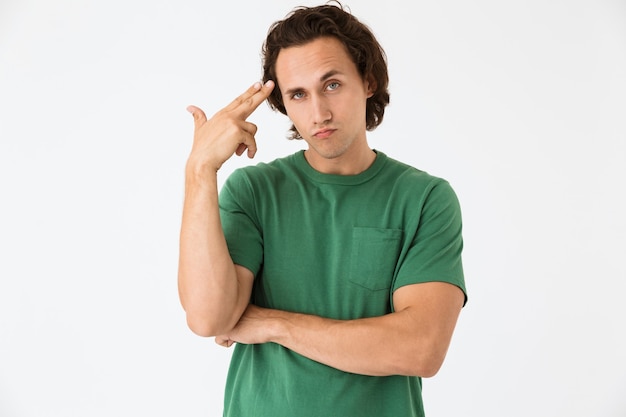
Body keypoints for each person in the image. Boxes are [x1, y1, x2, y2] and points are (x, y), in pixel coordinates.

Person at [178, 3, 467, 416]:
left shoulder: (424, 198)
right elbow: (209, 319)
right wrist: (200, 169)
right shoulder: (254, 192)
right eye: (298, 94)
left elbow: (420, 348)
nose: (319, 113)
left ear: (367, 81)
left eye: (331, 85)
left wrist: (270, 323)